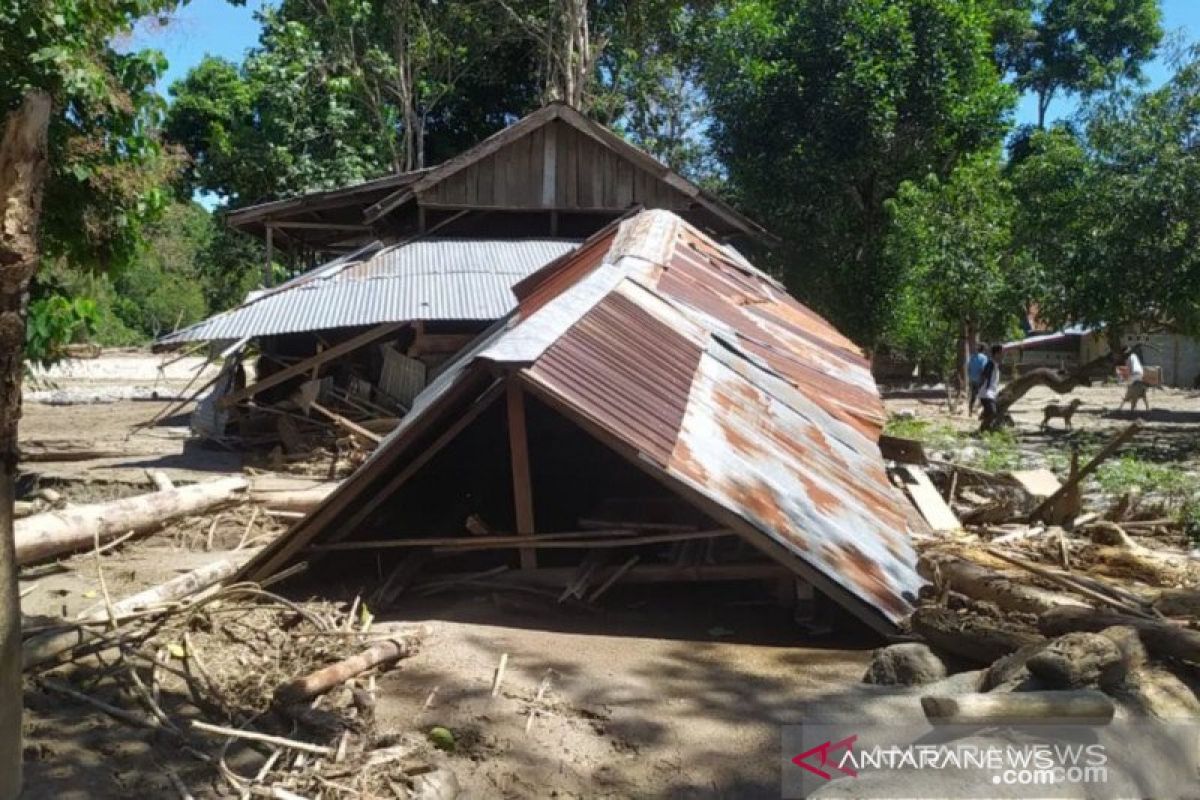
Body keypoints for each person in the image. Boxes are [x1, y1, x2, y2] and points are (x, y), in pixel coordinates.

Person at [978, 344, 1004, 429]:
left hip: (992, 394)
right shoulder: (990, 364)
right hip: (986, 394)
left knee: (993, 412)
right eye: (1001, 353)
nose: (1002, 355)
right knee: (992, 412)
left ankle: (985, 427)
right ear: (996, 354)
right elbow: (983, 376)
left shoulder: (996, 365)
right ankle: (983, 430)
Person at [966, 344, 989, 414]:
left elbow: (968, 368)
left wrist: (970, 376)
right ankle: (984, 411)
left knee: (973, 395)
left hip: (972, 379)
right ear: (984, 350)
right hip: (980, 379)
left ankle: (970, 409)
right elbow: (983, 369)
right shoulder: (984, 358)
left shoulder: (972, 357)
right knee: (984, 395)